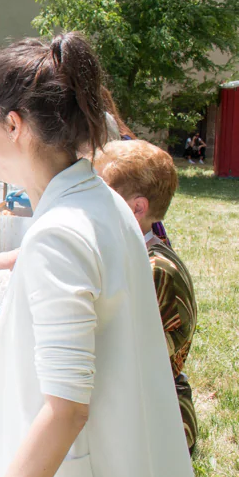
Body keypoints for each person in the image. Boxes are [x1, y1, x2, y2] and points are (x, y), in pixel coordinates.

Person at [0, 34, 202, 477]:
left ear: (13, 125)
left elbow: (66, 412)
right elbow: (92, 314)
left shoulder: (60, 233)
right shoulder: (99, 202)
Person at [93, 139, 198, 451]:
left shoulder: (155, 271)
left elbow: (130, 357)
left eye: (100, 195)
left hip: (161, 424)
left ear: (137, 208)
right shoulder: (134, 253)